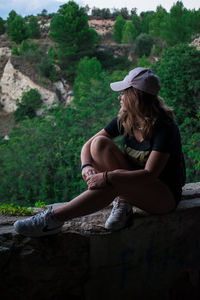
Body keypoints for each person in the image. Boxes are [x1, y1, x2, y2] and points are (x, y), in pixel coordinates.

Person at [14, 67, 186, 237]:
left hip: (164, 196)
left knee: (115, 181)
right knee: (99, 144)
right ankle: (124, 202)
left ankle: (53, 220)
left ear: (135, 97)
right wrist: (86, 166)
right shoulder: (127, 119)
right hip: (135, 184)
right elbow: (87, 146)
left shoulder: (164, 128)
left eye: (123, 93)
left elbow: (149, 175)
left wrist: (107, 177)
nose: (119, 97)